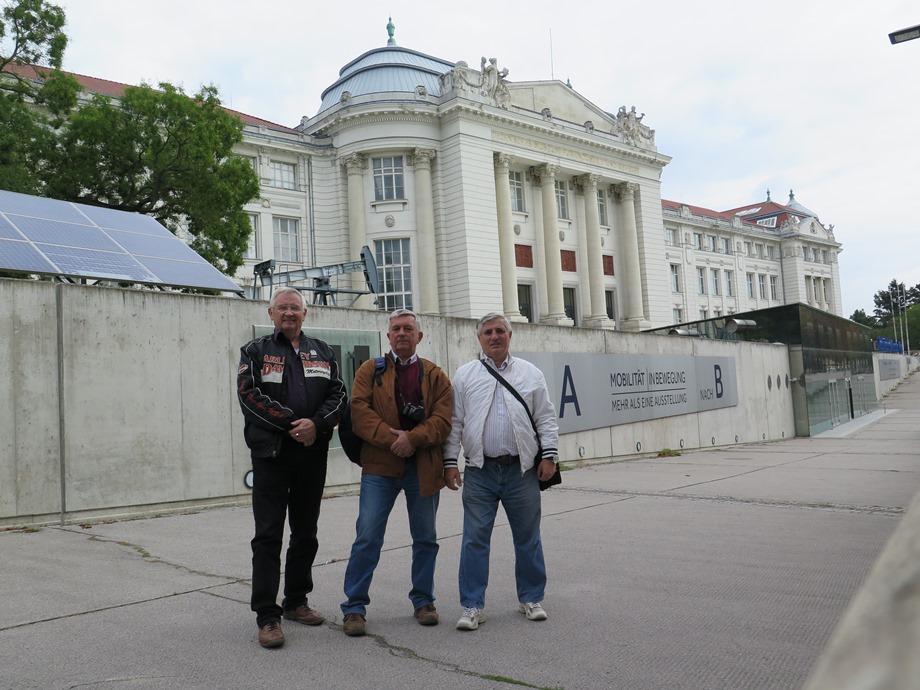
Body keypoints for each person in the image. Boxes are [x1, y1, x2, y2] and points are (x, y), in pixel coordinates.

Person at [237, 287, 346, 649]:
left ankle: (296, 601)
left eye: (295, 308)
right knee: (268, 536)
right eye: (282, 307)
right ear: (271, 314)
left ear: (305, 313)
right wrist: (291, 424)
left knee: (305, 533)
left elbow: (338, 394)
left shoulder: (324, 351)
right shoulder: (255, 351)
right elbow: (249, 395)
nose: (288, 313)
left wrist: (316, 424)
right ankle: (267, 616)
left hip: (311, 454)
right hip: (271, 455)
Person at [340, 309, 457, 637]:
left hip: (423, 466)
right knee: (367, 536)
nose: (402, 333)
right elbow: (359, 414)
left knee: (425, 538)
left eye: (409, 329)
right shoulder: (368, 370)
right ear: (388, 336)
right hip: (380, 466)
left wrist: (414, 439)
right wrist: (396, 440)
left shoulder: (435, 375)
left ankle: (423, 601)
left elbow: (443, 420)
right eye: (396, 329)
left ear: (419, 336)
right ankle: (354, 608)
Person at [444, 312, 560, 631]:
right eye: (487, 332)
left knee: (528, 538)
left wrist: (549, 455)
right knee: (474, 540)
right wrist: (450, 462)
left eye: (499, 331)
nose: (494, 336)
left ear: (510, 335)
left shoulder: (530, 373)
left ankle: (531, 598)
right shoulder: (465, 375)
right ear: (479, 339)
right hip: (480, 470)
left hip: (521, 471)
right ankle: (472, 606)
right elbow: (455, 424)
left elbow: (546, 419)